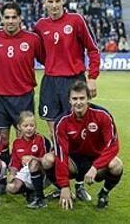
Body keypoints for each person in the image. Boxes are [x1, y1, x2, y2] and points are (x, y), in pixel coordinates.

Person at [35, 0, 101, 197]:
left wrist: (92, 78)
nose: (53, 5)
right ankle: (61, 184)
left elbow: (93, 49)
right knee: (56, 136)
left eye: (57, 1)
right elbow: (40, 54)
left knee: (77, 134)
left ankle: (80, 183)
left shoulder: (76, 20)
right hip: (51, 82)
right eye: (50, 2)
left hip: (74, 81)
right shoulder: (40, 25)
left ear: (63, 1)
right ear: (44, 3)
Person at [0, 1, 45, 175]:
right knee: (3, 139)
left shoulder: (32, 39)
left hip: (24, 96)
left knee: (24, 139)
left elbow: (46, 60)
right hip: (0, 97)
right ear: (1, 19)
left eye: (14, 17)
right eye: (7, 17)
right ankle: (4, 175)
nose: (10, 21)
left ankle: (24, 178)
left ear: (20, 18)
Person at [48, 81, 123, 209]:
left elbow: (113, 146)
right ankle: (63, 191)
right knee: (47, 160)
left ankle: (104, 193)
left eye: (82, 98)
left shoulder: (102, 115)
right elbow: (61, 154)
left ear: (88, 99)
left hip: (96, 159)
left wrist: (95, 166)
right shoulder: (61, 121)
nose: (78, 102)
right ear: (69, 101)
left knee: (117, 165)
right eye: (75, 98)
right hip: (74, 161)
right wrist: (64, 185)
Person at [6, 111, 52, 209]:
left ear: (35, 126)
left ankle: (40, 199)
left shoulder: (40, 139)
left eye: (32, 125)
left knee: (33, 164)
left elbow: (46, 161)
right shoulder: (17, 143)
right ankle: (30, 192)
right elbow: (15, 162)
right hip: (25, 172)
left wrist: (32, 158)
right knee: (11, 187)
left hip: (43, 174)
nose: (29, 128)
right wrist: (12, 174)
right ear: (19, 127)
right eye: (25, 126)